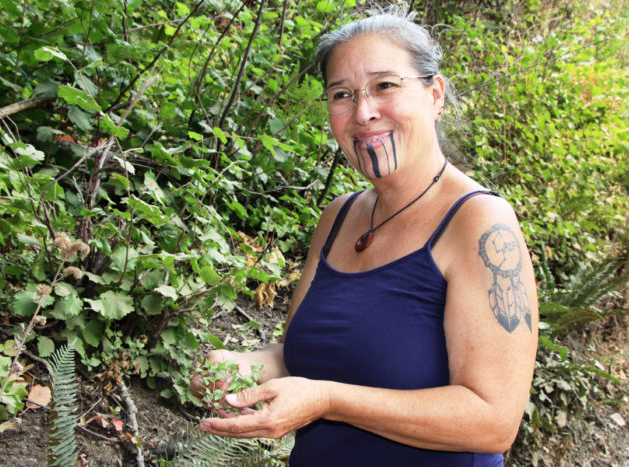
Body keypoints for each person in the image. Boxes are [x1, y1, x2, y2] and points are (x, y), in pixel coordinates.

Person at [192, 3, 538, 465]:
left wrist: (329, 401)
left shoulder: (480, 224)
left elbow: (494, 420)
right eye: (342, 94)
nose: (363, 112)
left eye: (385, 86)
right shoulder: (338, 217)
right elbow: (306, 359)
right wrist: (245, 367)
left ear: (435, 95)